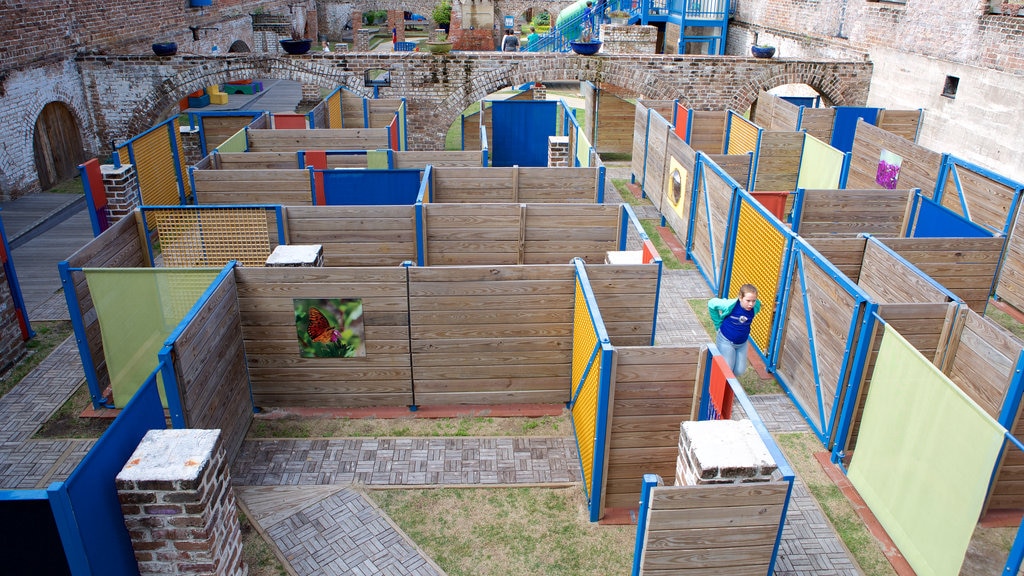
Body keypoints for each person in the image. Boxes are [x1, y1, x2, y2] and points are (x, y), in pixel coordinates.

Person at [708, 284, 762, 377]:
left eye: (753, 301)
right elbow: (711, 303)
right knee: (727, 369)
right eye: (748, 300)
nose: (751, 304)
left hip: (742, 343)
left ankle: (729, 382)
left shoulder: (755, 307)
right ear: (740, 297)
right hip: (726, 340)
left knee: (739, 371)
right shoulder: (730, 305)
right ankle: (717, 380)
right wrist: (717, 324)